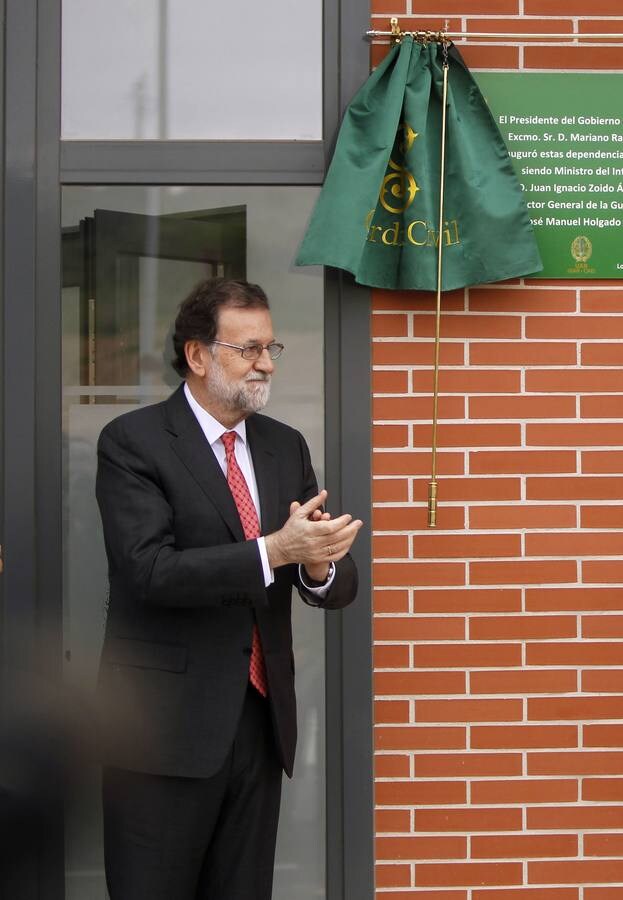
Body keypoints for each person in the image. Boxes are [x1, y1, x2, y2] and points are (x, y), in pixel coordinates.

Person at [95, 278, 362, 899]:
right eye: (248, 349)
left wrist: (319, 566)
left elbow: (327, 574)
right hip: (159, 730)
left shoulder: (282, 445)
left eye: (271, 348)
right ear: (197, 355)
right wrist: (275, 550)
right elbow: (150, 571)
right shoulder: (133, 442)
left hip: (259, 722)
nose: (266, 362)